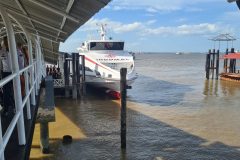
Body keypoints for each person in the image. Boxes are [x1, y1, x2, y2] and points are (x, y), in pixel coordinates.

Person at [0, 36, 14, 116]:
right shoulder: (2, 52)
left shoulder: (14, 51)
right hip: (5, 73)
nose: (6, 43)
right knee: (6, 92)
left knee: (13, 91)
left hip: (14, 72)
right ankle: (6, 109)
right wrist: (1, 74)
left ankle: (13, 106)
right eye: (5, 42)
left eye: (7, 41)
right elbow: (1, 64)